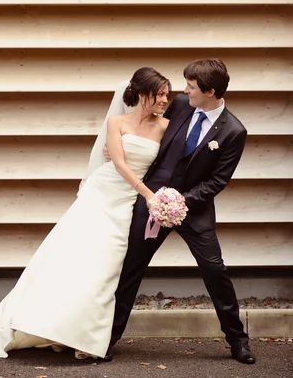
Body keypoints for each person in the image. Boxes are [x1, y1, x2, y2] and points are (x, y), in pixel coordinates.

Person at [0, 67, 171, 361]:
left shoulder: (165, 127)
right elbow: (119, 163)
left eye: (167, 93)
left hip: (126, 203)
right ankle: (30, 323)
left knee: (105, 268)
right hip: (100, 195)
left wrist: (157, 195)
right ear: (140, 94)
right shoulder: (116, 122)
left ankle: (84, 338)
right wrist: (146, 192)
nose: (165, 99)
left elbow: (166, 161)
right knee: (64, 258)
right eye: (159, 93)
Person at [101, 58, 256, 365]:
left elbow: (218, 181)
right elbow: (152, 131)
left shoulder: (234, 131)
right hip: (151, 199)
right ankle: (108, 338)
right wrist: (120, 147)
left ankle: (238, 340)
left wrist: (181, 201)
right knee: (130, 267)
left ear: (210, 91)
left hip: (193, 209)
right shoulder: (182, 105)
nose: (183, 91)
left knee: (215, 270)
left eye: (191, 86)